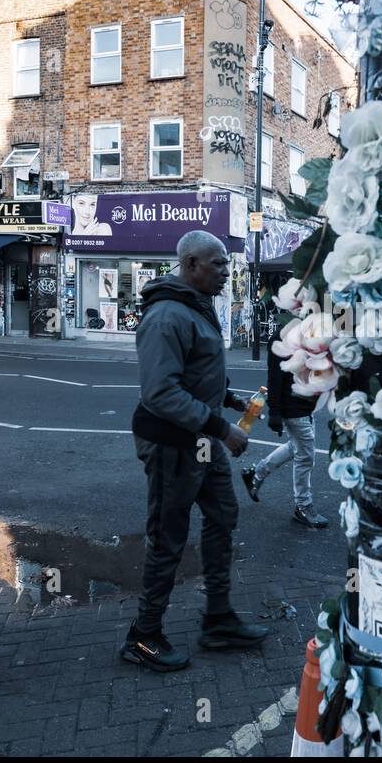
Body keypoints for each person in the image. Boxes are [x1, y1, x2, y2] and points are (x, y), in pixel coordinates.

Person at [122, 230, 267, 672]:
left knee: (223, 515)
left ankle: (218, 620)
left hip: (201, 441)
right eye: (218, 264)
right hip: (172, 444)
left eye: (226, 264)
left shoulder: (196, 308)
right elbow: (161, 393)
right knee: (168, 540)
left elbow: (197, 373)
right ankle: (143, 637)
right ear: (190, 266)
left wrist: (232, 399)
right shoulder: (167, 316)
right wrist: (223, 428)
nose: (227, 272)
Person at [241, 323, 329, 529]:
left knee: (295, 447)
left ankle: (256, 473)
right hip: (293, 407)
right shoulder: (283, 335)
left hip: (304, 405)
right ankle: (303, 505)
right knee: (305, 455)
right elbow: (275, 376)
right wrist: (275, 412)